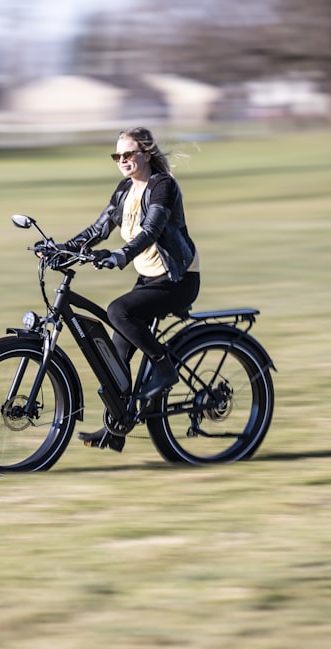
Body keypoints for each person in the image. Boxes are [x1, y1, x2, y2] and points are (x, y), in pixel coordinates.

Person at [58, 127, 201, 451]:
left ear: (146, 153)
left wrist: (120, 255)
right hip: (149, 279)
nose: (122, 160)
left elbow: (151, 230)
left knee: (117, 311)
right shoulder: (125, 189)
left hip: (177, 279)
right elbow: (100, 227)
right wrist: (63, 248)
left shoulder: (162, 186)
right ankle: (117, 428)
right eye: (117, 155)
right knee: (116, 359)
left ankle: (164, 367)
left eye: (128, 153)